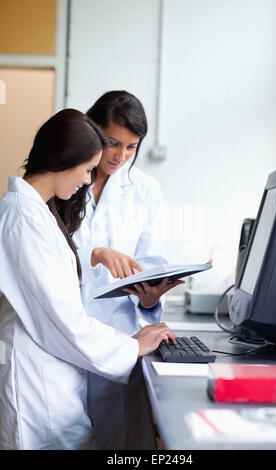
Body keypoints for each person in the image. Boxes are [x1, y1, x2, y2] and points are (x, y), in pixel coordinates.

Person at [0, 108, 176, 450]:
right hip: (38, 389)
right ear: (64, 160)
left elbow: (49, 277)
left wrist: (94, 255)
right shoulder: (22, 217)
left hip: (56, 379)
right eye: (86, 170)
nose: (86, 180)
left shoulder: (37, 212)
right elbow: (61, 318)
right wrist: (131, 345)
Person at [55, 91, 184, 449]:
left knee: (121, 444)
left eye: (131, 147)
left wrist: (150, 298)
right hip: (67, 336)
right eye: (113, 143)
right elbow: (46, 251)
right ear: (92, 130)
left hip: (119, 337)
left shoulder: (145, 191)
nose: (120, 156)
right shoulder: (65, 181)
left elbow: (151, 264)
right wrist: (94, 252)